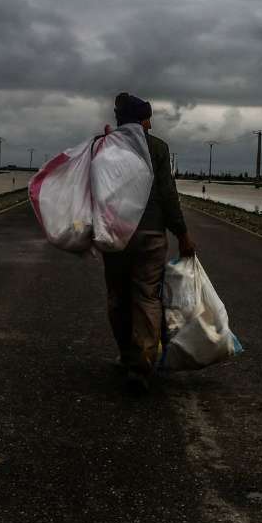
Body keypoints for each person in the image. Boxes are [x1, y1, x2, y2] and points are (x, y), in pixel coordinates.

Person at [102, 92, 195, 394]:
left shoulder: (104, 146)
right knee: (146, 297)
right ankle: (141, 365)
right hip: (151, 235)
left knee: (118, 295)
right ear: (139, 120)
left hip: (116, 235)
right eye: (147, 119)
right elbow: (168, 194)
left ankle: (127, 355)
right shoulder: (156, 148)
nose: (151, 125)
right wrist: (181, 233)